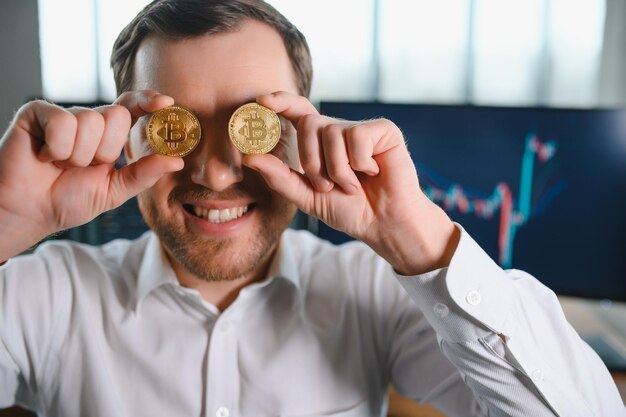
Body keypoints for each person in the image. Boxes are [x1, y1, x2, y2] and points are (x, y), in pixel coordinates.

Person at [0, 0, 623, 416]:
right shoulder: (49, 295)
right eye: (177, 127)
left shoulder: (373, 295)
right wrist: (5, 223)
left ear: (302, 129)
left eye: (252, 126)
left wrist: (419, 240)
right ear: (130, 134)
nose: (214, 171)